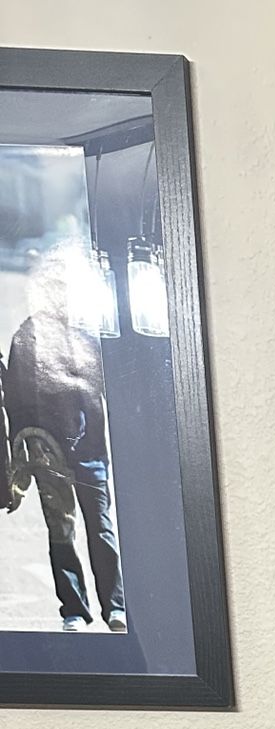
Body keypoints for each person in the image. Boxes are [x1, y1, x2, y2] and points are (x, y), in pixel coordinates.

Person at [5, 244, 126, 633]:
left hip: (91, 453)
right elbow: (16, 399)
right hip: (48, 454)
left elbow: (105, 390)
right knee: (61, 532)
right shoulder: (26, 337)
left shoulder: (88, 334)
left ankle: (115, 607)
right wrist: (24, 453)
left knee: (101, 530)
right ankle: (73, 609)